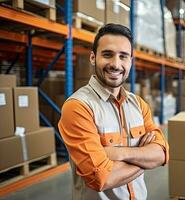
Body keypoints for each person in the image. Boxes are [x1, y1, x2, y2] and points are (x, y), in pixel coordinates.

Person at [58, 23, 169, 200]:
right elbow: (100, 177)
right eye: (107, 55)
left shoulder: (138, 104)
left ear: (131, 61)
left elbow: (162, 153)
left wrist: (118, 153)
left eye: (123, 56)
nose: (116, 64)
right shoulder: (78, 107)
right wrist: (145, 159)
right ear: (93, 58)